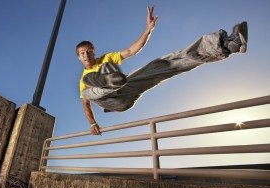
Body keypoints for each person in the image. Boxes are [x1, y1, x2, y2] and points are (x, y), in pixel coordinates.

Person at [76, 6, 248, 135]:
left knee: (166, 64)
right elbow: (86, 106)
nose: (87, 55)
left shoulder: (106, 58)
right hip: (112, 102)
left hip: (128, 88)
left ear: (94, 51)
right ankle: (107, 82)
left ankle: (226, 45)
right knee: (87, 87)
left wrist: (148, 30)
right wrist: (92, 123)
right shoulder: (84, 79)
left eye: (89, 51)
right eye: (83, 53)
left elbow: (131, 51)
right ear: (79, 57)